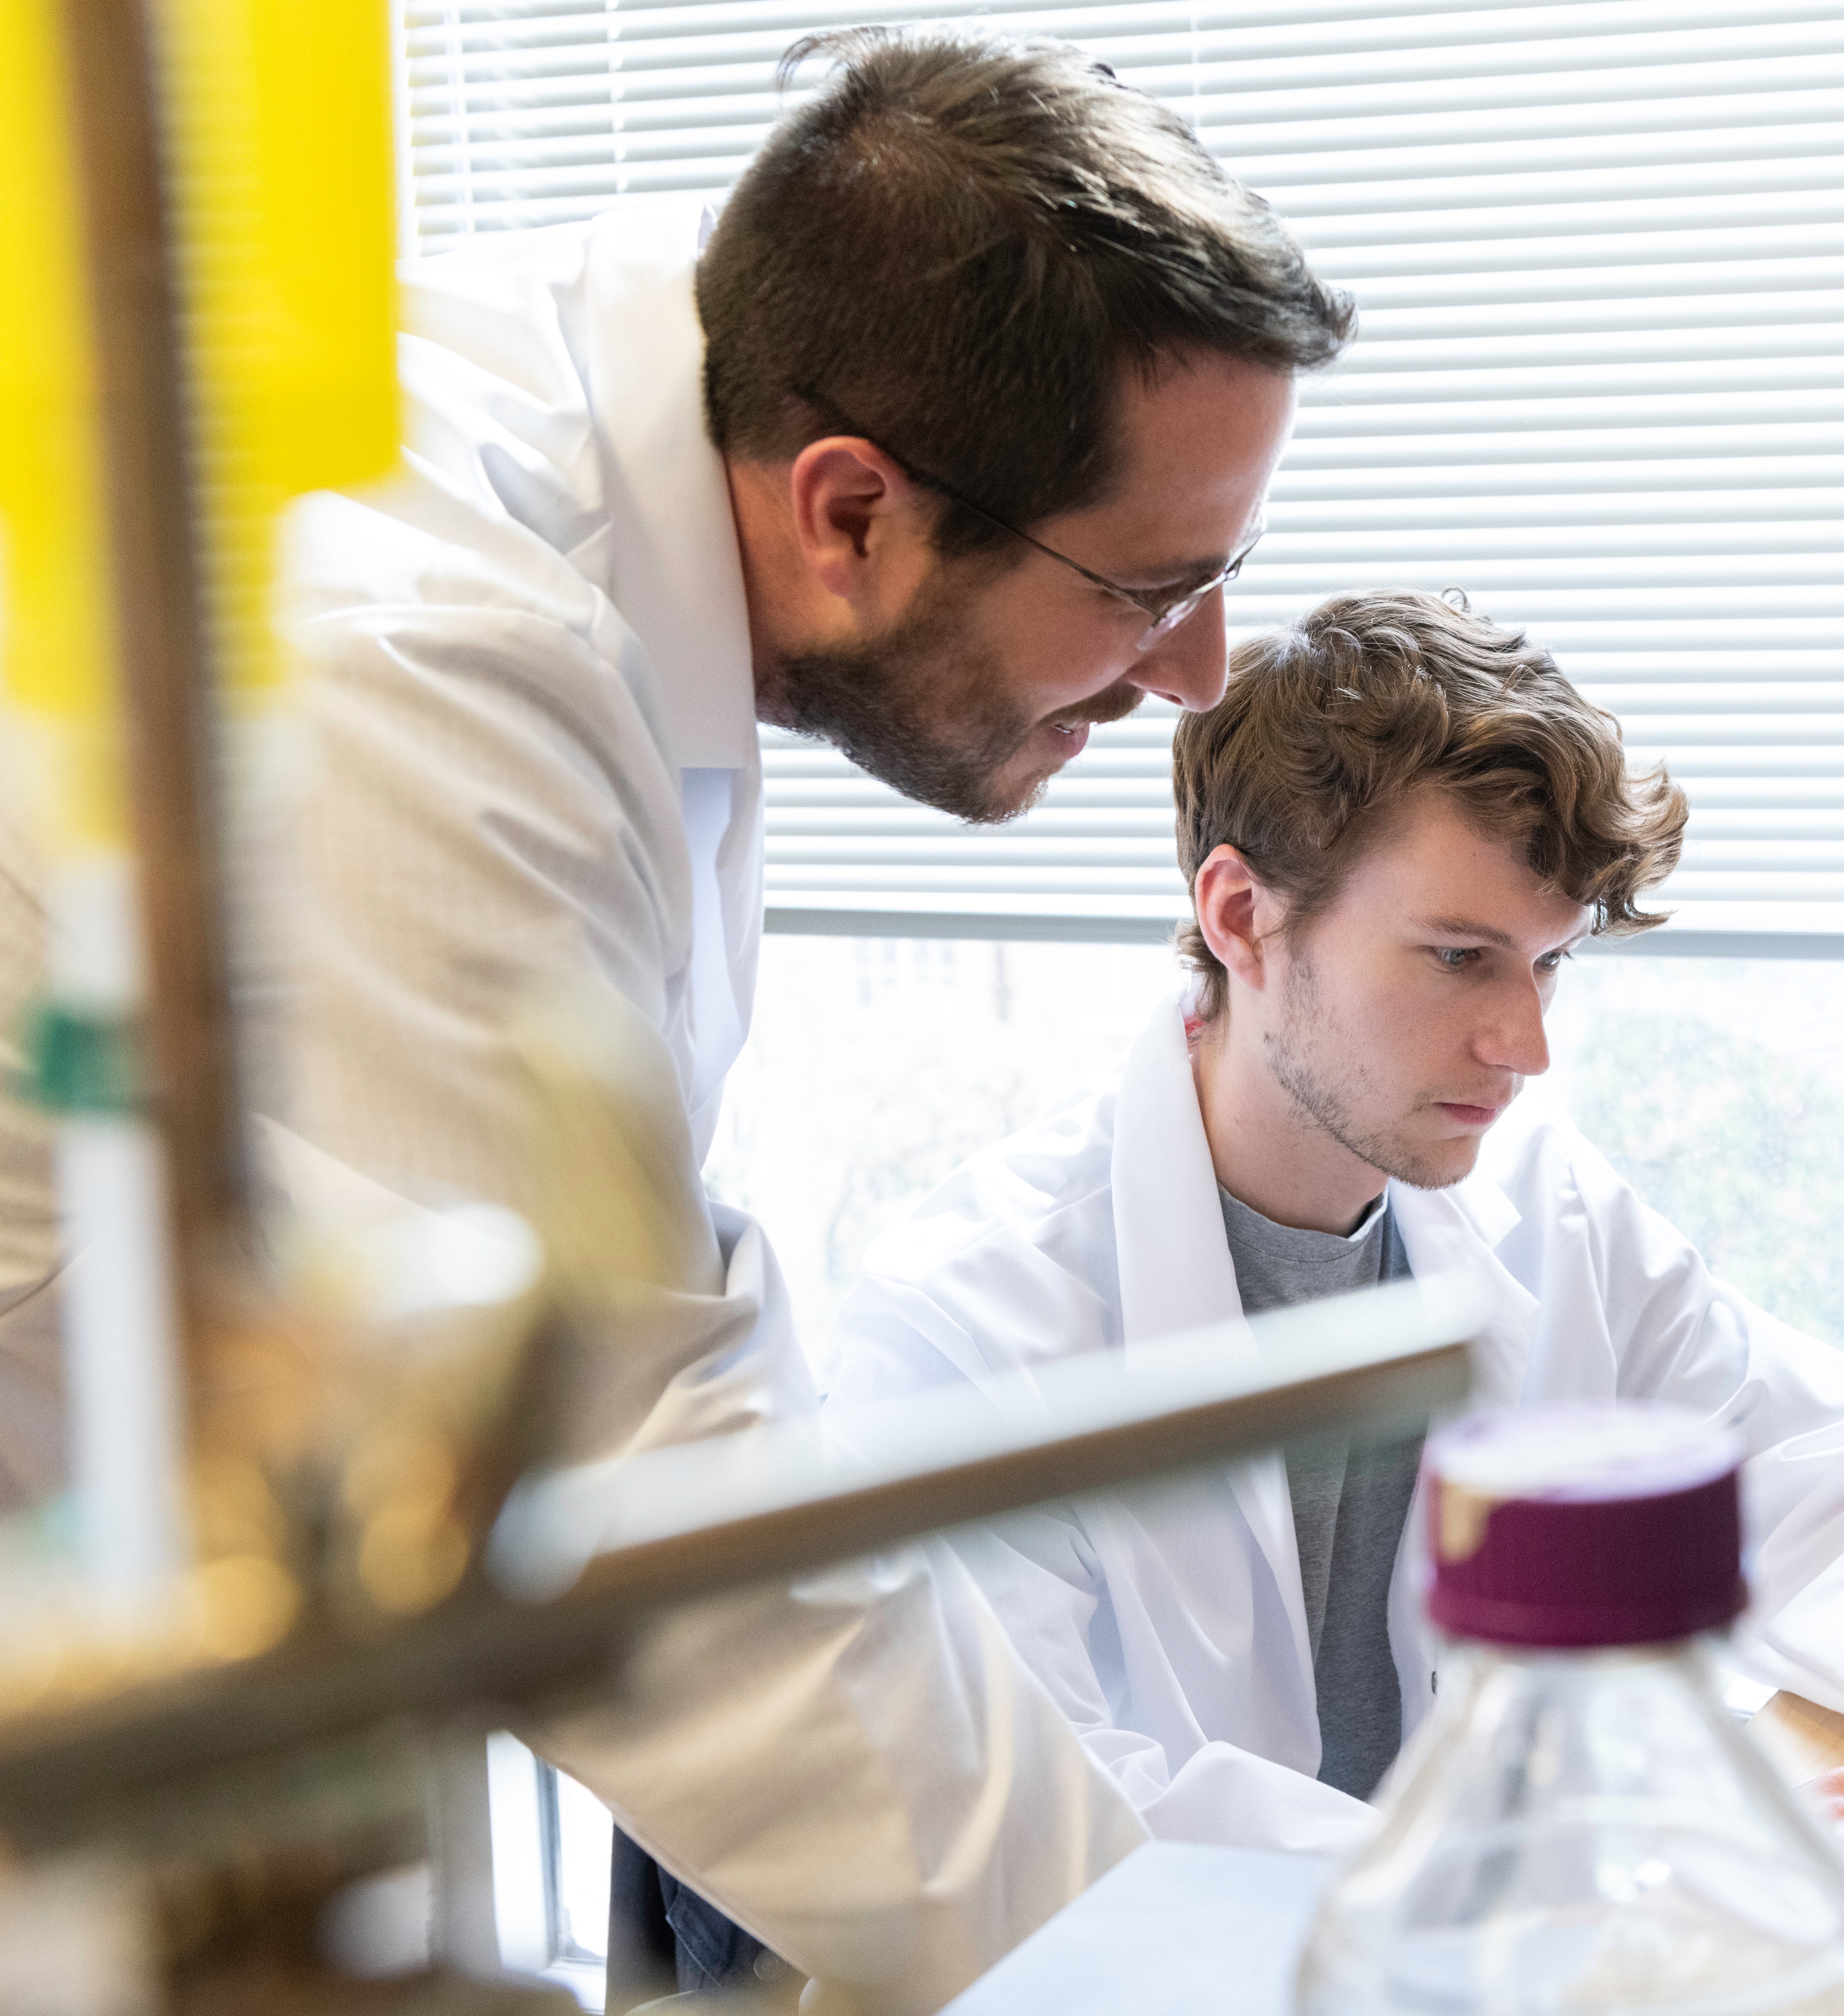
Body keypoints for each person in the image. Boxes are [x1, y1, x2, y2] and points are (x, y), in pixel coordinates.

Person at [248, 27, 1351, 2009]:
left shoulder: (738, 379)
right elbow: (630, 1481)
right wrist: (1173, 1976)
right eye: (1151, 585)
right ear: (848, 513)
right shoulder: (417, 680)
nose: (1198, 672)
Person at [822, 589, 1844, 1890]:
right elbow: (1045, 1833)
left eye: (1549, 963)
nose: (1525, 1046)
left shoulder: (1537, 1213)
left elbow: (1834, 1472)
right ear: (1242, 917)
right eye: (1460, 957)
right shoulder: (973, 1318)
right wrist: (1653, 1857)